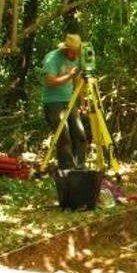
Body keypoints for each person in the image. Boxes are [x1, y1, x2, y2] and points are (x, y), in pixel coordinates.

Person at [41, 33, 87, 170]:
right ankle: (66, 169)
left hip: (69, 100)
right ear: (66, 49)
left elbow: (77, 80)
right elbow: (51, 81)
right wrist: (69, 75)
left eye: (77, 52)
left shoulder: (78, 57)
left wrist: (82, 102)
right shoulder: (52, 58)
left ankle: (79, 167)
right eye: (74, 51)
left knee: (79, 133)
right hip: (53, 101)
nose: (75, 55)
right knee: (63, 135)